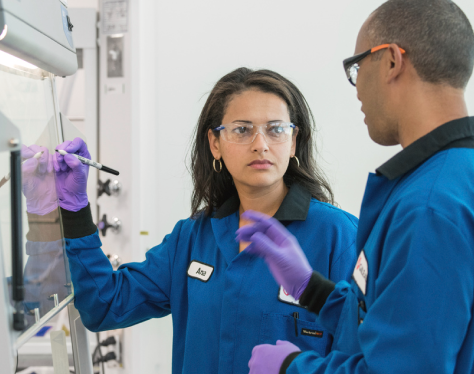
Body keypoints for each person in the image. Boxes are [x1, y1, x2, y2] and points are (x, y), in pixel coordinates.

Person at [50, 68, 359, 373]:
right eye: (242, 129)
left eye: (276, 129)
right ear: (215, 143)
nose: (260, 144)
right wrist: (75, 209)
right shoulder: (192, 237)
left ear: (293, 142)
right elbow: (104, 306)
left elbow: (366, 356)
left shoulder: (339, 236)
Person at [244, 0, 474, 373]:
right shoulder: (447, 177)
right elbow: (392, 323)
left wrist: (292, 367)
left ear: (391, 61)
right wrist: (312, 289)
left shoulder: (429, 207)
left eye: (356, 67)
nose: (356, 90)